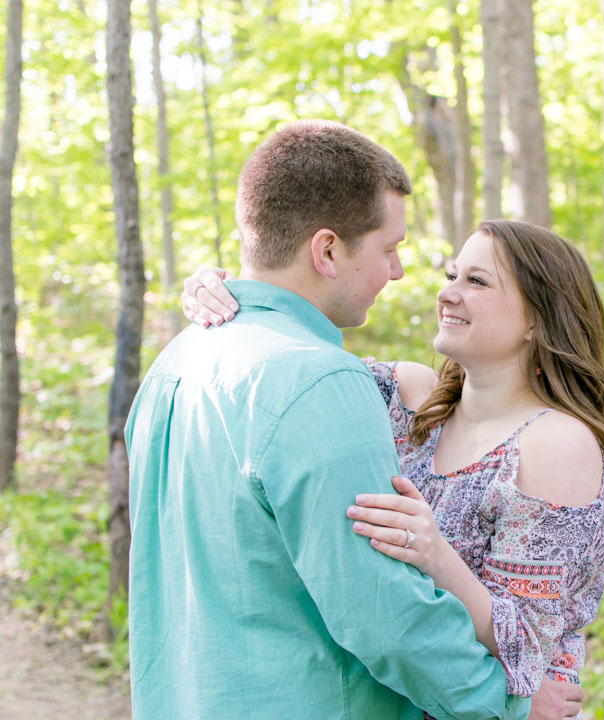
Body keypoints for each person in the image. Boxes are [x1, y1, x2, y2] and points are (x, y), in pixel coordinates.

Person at [126, 120, 581, 720]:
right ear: (327, 250)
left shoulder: (176, 362)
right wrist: (510, 703)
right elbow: (384, 615)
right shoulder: (321, 382)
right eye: (389, 249)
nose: (397, 273)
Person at [181, 219, 604, 717]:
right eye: (451, 275)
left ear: (537, 318)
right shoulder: (411, 400)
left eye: (477, 282)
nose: (449, 294)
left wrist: (436, 555)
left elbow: (528, 645)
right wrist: (226, 294)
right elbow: (295, 364)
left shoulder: (556, 442)